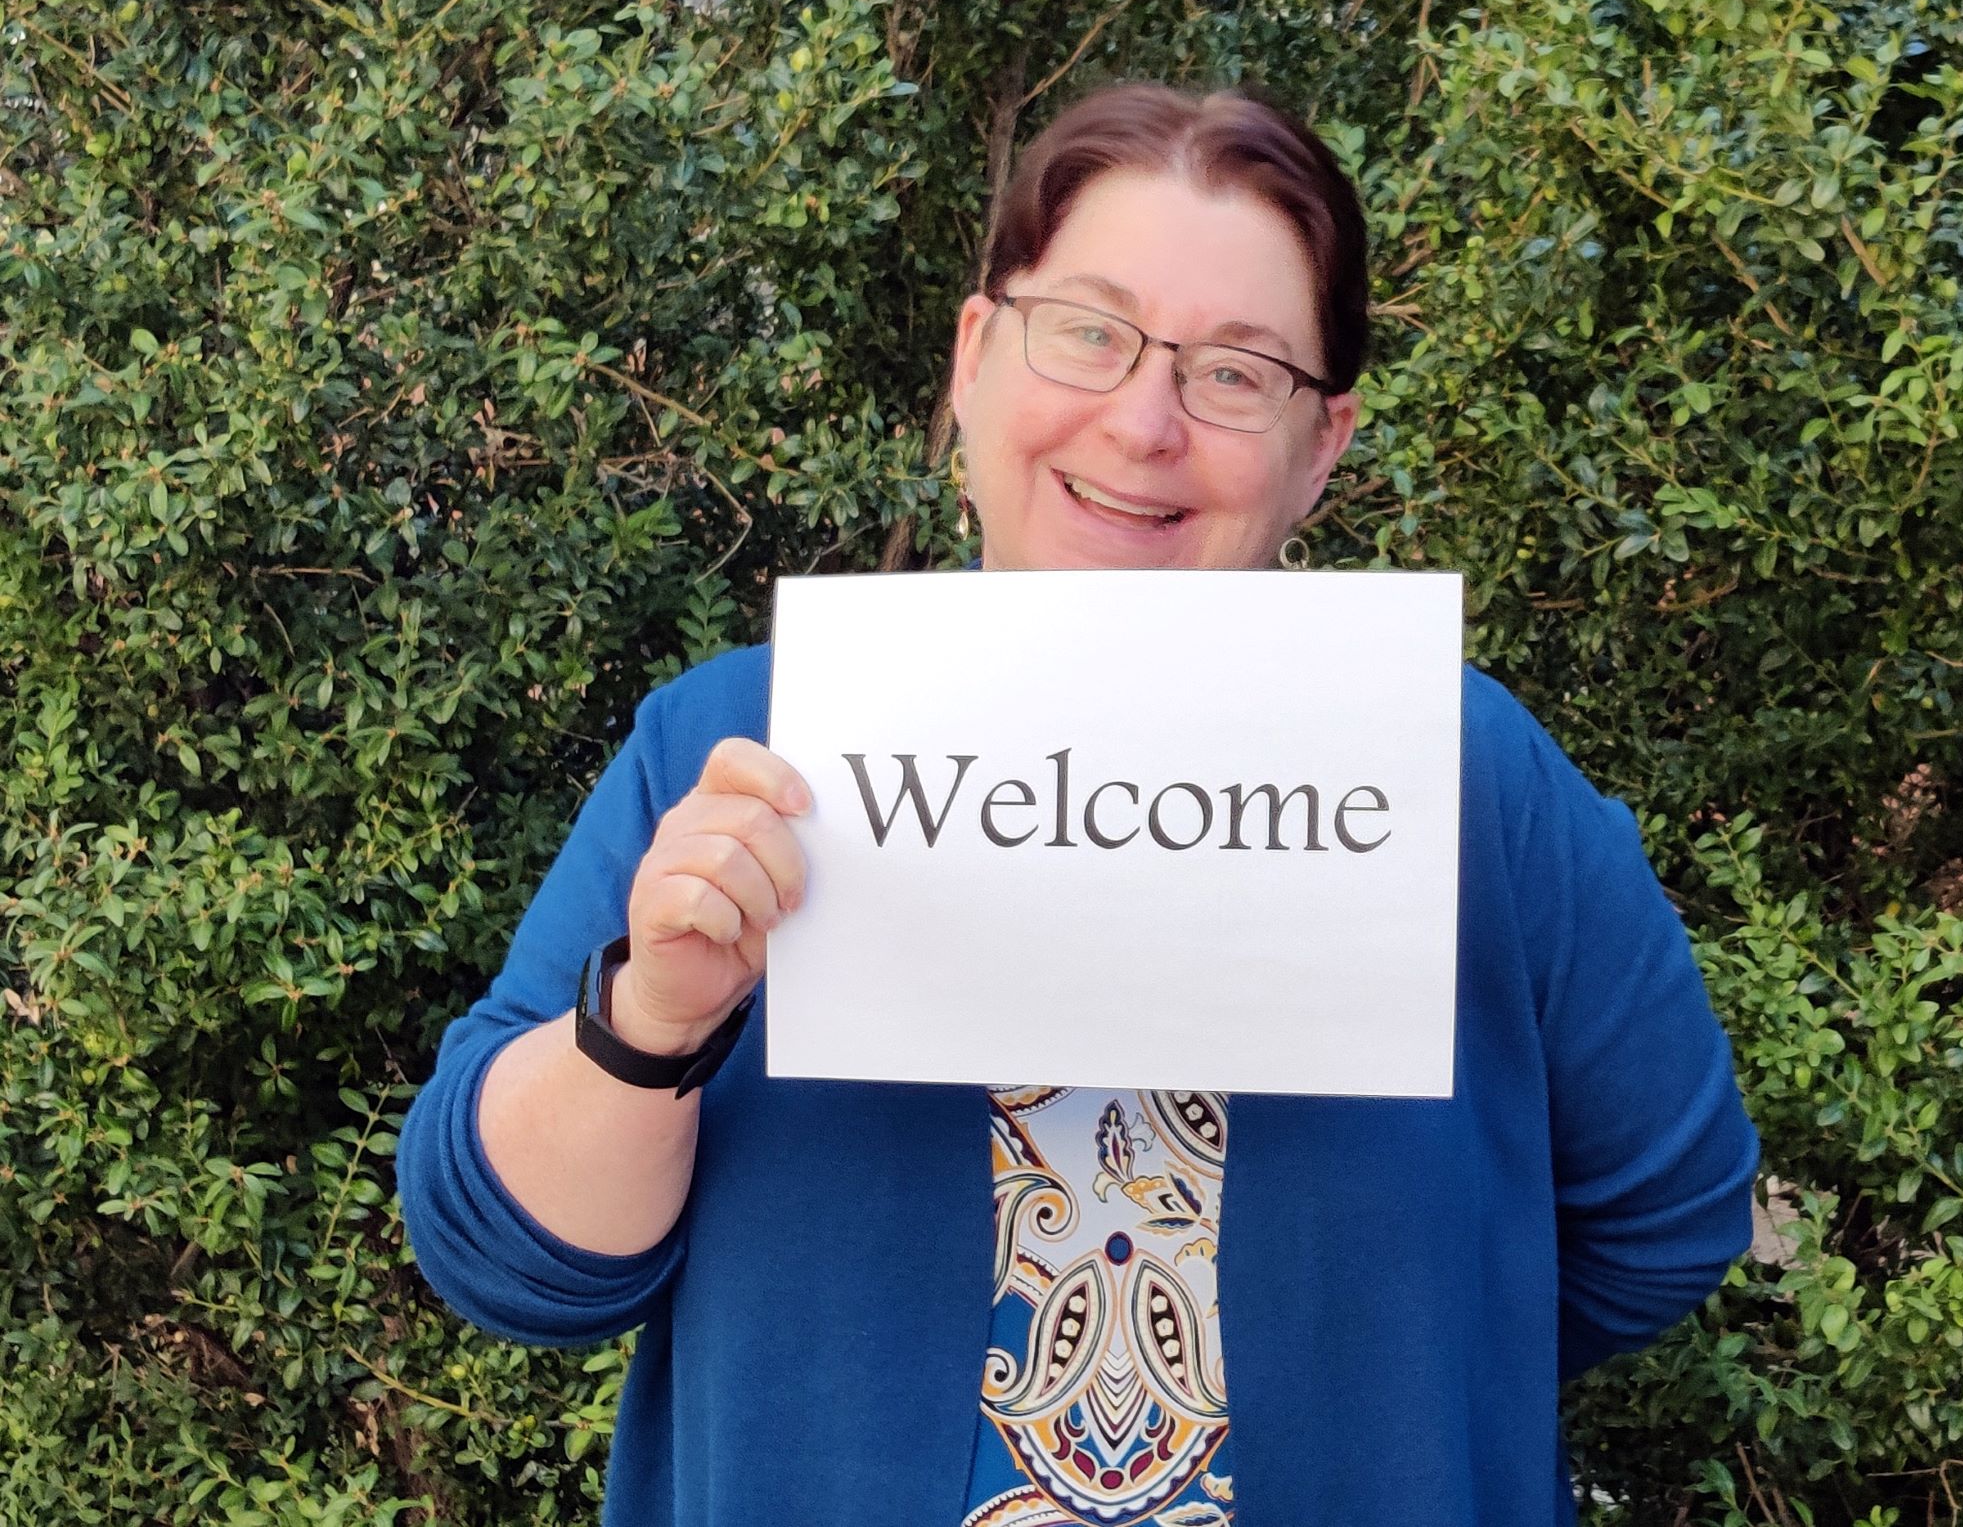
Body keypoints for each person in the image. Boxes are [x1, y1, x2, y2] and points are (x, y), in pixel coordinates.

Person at [399, 83, 1759, 1527]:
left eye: (1236, 372)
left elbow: (1664, 1218)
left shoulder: (1458, 771)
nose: (1144, 421)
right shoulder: (743, 742)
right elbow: (507, 1264)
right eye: (1088, 334)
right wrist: (649, 1023)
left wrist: (1416, 1368)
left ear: (1324, 445)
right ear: (978, 355)